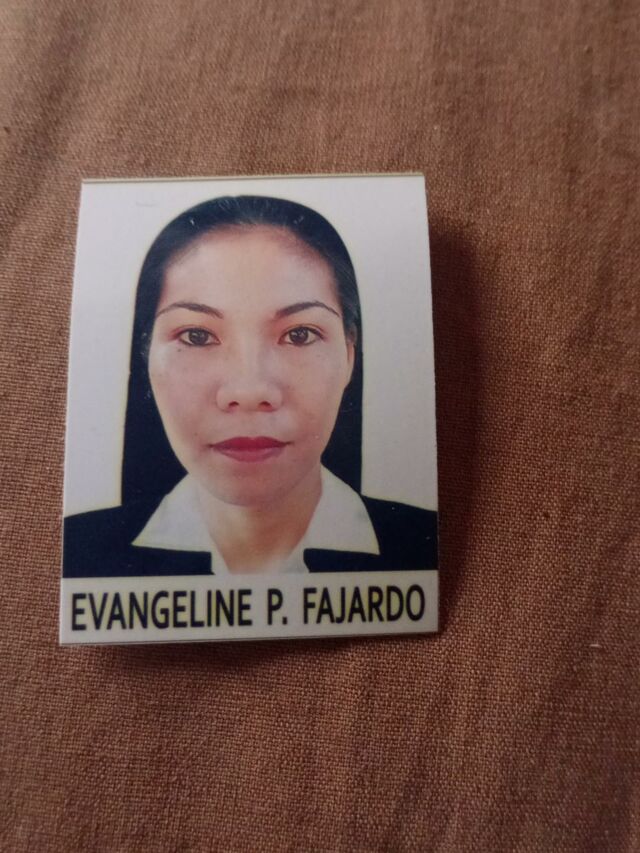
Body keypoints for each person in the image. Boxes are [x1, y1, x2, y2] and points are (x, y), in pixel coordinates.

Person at [63, 196, 437, 577]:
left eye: (299, 334)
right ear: (145, 357)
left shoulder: (424, 549)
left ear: (350, 356)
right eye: (196, 336)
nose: (248, 391)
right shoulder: (80, 555)